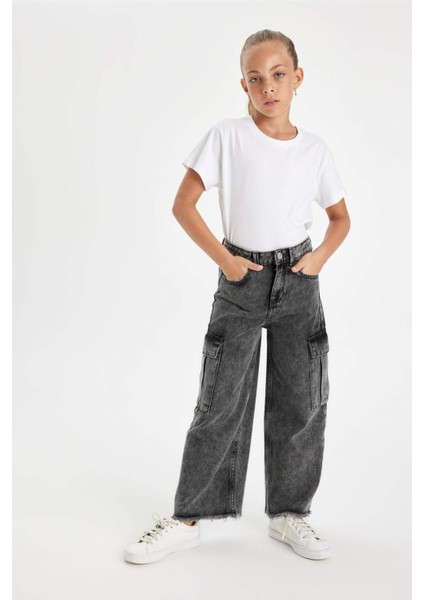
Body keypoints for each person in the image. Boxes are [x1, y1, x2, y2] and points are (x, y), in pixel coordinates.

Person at [124, 28, 350, 565]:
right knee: (219, 399)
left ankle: (290, 512)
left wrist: (318, 259)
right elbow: (183, 205)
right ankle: (188, 517)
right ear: (243, 85)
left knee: (302, 400)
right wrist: (227, 262)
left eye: (278, 75)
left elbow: (340, 218)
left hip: (299, 281)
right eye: (255, 78)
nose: (268, 86)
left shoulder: (315, 151)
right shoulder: (227, 136)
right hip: (241, 280)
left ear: (297, 78)